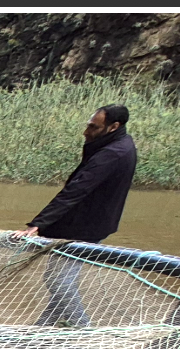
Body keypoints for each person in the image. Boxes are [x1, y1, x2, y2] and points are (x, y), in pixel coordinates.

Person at [12, 105, 138, 327]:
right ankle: (39, 331)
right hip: (91, 223)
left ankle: (84, 331)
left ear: (113, 127)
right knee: (61, 282)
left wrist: (38, 224)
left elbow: (76, 190)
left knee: (59, 281)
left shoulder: (113, 153)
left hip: (85, 228)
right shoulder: (116, 144)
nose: (86, 132)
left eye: (93, 127)